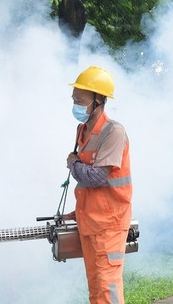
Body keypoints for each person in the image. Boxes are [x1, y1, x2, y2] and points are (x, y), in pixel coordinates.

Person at [64, 66, 133, 304]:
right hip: (90, 224)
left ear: (99, 99)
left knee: (107, 288)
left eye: (80, 100)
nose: (76, 105)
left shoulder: (113, 132)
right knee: (95, 288)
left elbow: (96, 178)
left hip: (109, 227)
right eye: (74, 100)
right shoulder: (82, 131)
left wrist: (72, 163)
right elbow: (89, 188)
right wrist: (75, 213)